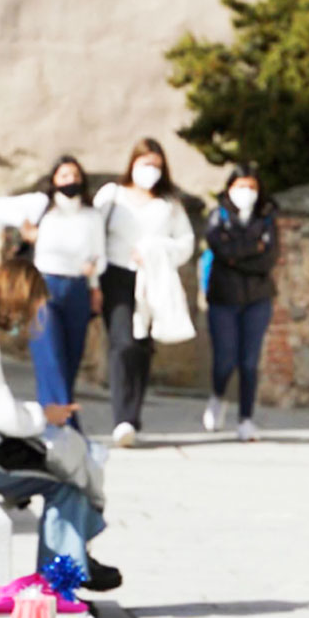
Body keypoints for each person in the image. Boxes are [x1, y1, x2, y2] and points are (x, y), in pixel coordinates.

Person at [0, 259, 123, 591]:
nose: (34, 317)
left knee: (64, 471)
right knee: (66, 485)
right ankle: (59, 585)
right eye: (35, 306)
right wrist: (44, 417)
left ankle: (74, 563)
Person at [94, 138, 195, 448]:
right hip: (116, 274)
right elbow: (93, 232)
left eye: (156, 166)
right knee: (122, 343)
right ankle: (121, 417)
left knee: (141, 347)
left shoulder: (169, 203)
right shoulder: (112, 196)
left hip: (153, 278)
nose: (150, 171)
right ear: (132, 164)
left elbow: (185, 242)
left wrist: (155, 251)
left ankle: (132, 416)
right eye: (145, 164)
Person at [0, 156, 106, 412]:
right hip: (43, 287)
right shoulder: (41, 206)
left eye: (75, 175)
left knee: (71, 360)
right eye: (64, 175)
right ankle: (65, 418)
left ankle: (55, 420)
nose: (70, 180)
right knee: (49, 356)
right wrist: (23, 225)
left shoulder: (91, 215)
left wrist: (94, 282)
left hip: (77, 288)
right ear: (53, 180)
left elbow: (99, 254)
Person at [202, 164, 280, 443]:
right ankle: (218, 395)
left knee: (249, 362)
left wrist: (238, 256)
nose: (246, 193)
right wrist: (252, 249)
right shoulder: (218, 216)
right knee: (225, 359)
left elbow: (269, 258)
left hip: (257, 299)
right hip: (224, 297)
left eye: (252, 187)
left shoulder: (268, 217)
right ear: (230, 189)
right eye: (241, 187)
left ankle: (246, 418)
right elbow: (220, 250)